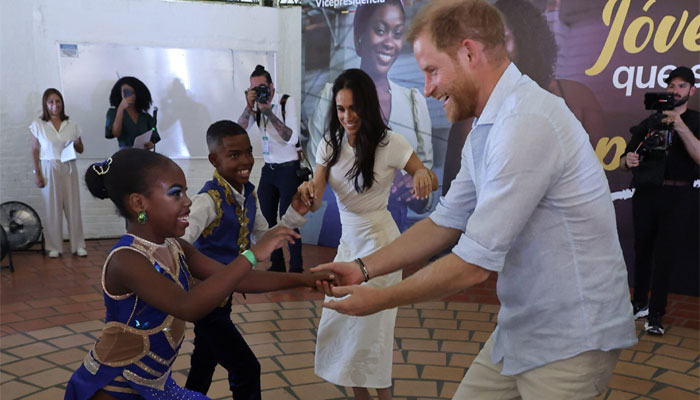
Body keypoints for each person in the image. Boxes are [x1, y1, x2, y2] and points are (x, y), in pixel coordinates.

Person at [312, 1, 637, 398]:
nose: (427, 89)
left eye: (432, 71)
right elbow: (445, 221)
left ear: (470, 53)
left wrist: (377, 298)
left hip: (573, 338)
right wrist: (361, 268)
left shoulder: (525, 122)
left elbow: (472, 266)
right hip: (521, 326)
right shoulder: (489, 123)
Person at [64, 148, 327, 399]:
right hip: (114, 387)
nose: (188, 201)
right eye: (176, 193)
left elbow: (240, 279)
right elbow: (187, 306)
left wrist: (305, 279)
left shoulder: (176, 247)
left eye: (186, 192)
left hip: (155, 384)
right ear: (138, 203)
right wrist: (252, 254)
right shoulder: (126, 259)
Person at [299, 68, 437, 400]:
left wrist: (422, 176)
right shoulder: (329, 145)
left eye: (354, 108)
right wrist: (307, 190)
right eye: (341, 109)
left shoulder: (391, 143)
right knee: (343, 323)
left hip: (382, 246)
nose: (347, 116)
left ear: (368, 106)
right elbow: (316, 196)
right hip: (349, 245)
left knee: (372, 332)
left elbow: (423, 171)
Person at [181, 120, 315, 399]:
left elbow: (267, 236)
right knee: (246, 368)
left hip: (223, 299)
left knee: (203, 363)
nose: (245, 161)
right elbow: (179, 243)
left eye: (248, 152)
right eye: (234, 155)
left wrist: (294, 213)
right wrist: (197, 279)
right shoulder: (207, 200)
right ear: (213, 160)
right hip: (206, 302)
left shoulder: (249, 194)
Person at [443, 0, 605, 194]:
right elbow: (454, 203)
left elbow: (601, 184)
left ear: (527, 40)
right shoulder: (469, 121)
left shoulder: (577, 98)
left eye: (501, 40)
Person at [307, 0, 434, 236]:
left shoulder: (413, 103)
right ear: (358, 37)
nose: (389, 42)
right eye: (380, 30)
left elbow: (425, 180)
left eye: (397, 33)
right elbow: (316, 175)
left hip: (392, 229)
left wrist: (416, 189)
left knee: (386, 274)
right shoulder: (331, 98)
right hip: (341, 229)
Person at [620, 66, 699, 336]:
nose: (674, 90)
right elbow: (628, 155)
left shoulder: (696, 120)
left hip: (678, 196)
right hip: (646, 193)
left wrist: (680, 125)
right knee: (642, 251)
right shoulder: (650, 121)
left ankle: (656, 314)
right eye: (671, 85)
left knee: (665, 256)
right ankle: (639, 303)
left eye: (681, 86)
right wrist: (628, 160)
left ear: (691, 90)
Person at [237, 65, 303, 273]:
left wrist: (269, 113)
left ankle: (296, 267)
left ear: (272, 85)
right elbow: (238, 131)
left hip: (288, 169)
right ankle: (277, 264)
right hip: (269, 168)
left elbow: (290, 138)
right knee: (266, 218)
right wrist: (249, 106)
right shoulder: (255, 105)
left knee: (289, 218)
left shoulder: (285, 102)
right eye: (254, 89)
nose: (259, 92)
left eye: (263, 87)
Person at [29, 88, 87, 258]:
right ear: (46, 104)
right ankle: (54, 246)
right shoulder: (38, 125)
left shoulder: (72, 124)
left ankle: (78, 245)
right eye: (51, 101)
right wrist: (37, 173)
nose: (55, 105)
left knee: (72, 206)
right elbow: (34, 150)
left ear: (62, 103)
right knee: (52, 207)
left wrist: (75, 142)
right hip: (48, 166)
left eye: (58, 101)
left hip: (68, 166)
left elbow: (81, 149)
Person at [105, 76, 160, 150]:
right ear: (120, 93)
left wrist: (151, 144)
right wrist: (120, 109)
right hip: (125, 154)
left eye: (134, 92)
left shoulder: (146, 117)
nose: (131, 96)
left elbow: (154, 136)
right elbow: (116, 133)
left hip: (144, 154)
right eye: (127, 92)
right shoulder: (113, 113)